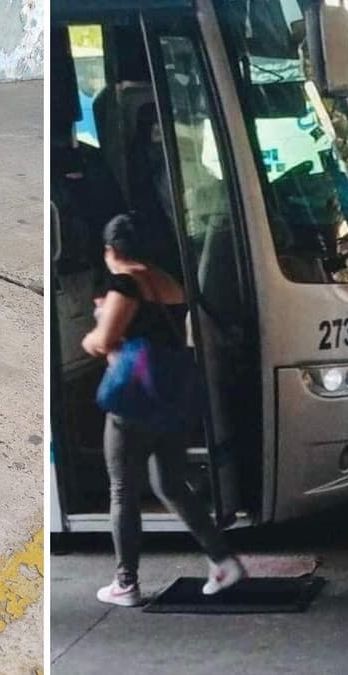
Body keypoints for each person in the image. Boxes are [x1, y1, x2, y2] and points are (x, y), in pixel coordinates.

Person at [82, 213, 246, 607]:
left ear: (111, 250)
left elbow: (104, 343)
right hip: (169, 399)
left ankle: (126, 582)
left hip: (135, 399)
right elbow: (153, 330)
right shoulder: (170, 282)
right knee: (170, 483)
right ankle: (223, 562)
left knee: (122, 489)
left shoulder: (126, 283)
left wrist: (96, 324)